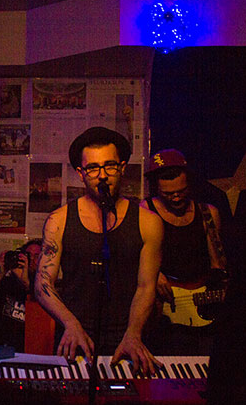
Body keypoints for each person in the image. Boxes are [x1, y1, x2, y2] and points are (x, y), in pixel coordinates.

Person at [34, 127, 163, 375]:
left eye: (110, 166)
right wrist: (71, 324)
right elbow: (42, 284)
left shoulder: (148, 222)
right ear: (81, 173)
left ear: (122, 167)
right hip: (74, 338)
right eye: (93, 168)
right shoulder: (58, 220)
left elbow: (147, 286)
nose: (102, 175)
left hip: (128, 340)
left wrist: (133, 333)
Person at [140, 149, 228, 354]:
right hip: (162, 309)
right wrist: (154, 275)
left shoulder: (208, 213)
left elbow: (217, 264)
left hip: (200, 302)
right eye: (168, 194)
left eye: (181, 191)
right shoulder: (146, 210)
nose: (176, 198)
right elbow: (134, 255)